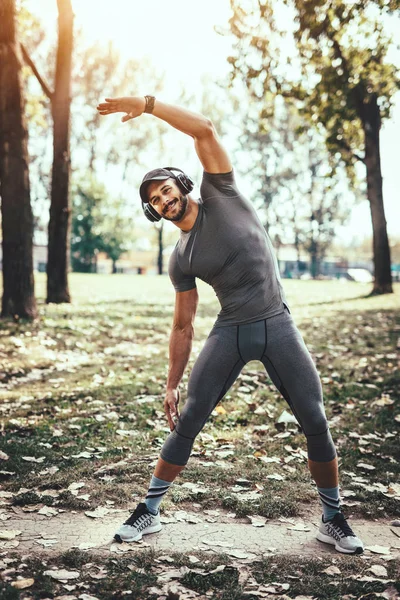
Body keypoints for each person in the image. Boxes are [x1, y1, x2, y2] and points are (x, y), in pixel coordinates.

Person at [97, 95, 364, 555]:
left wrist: (147, 105)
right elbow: (183, 326)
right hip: (231, 332)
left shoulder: (221, 191)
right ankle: (149, 510)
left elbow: (203, 128)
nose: (164, 200)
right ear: (154, 212)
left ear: (182, 183)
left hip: (277, 323)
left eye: (166, 190)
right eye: (155, 201)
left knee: (315, 420)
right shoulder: (181, 259)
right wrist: (171, 383)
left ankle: (333, 516)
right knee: (188, 420)